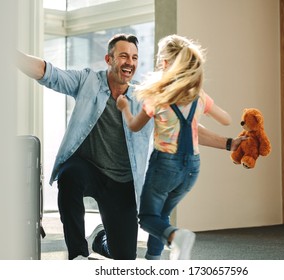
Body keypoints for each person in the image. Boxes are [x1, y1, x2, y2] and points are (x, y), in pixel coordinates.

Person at [17, 33, 245, 260]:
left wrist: (229, 144)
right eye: (124, 56)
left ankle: (99, 240)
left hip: (122, 181)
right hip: (87, 168)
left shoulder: (143, 97)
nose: (130, 63)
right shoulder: (87, 81)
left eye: (135, 58)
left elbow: (188, 129)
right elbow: (49, 73)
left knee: (124, 257)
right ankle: (78, 254)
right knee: (69, 176)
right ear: (109, 59)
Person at [116, 34, 232, 260]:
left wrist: (124, 107)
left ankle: (177, 236)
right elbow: (226, 119)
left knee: (148, 218)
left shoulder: (158, 97)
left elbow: (134, 126)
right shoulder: (198, 95)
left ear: (166, 63)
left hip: (165, 166)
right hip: (192, 169)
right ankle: (154, 260)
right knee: (162, 215)